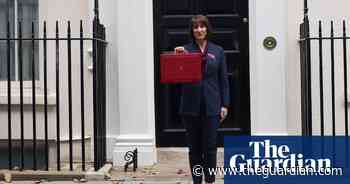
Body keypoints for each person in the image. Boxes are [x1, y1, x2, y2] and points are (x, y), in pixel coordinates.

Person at [175, 15, 230, 184]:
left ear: (207, 28)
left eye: (202, 26)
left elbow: (223, 80)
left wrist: (225, 104)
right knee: (194, 148)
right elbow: (176, 75)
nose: (199, 30)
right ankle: (197, 180)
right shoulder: (185, 50)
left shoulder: (218, 51)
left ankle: (210, 179)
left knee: (210, 147)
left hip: (212, 105)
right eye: (195, 27)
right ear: (192, 31)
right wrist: (178, 58)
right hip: (190, 106)